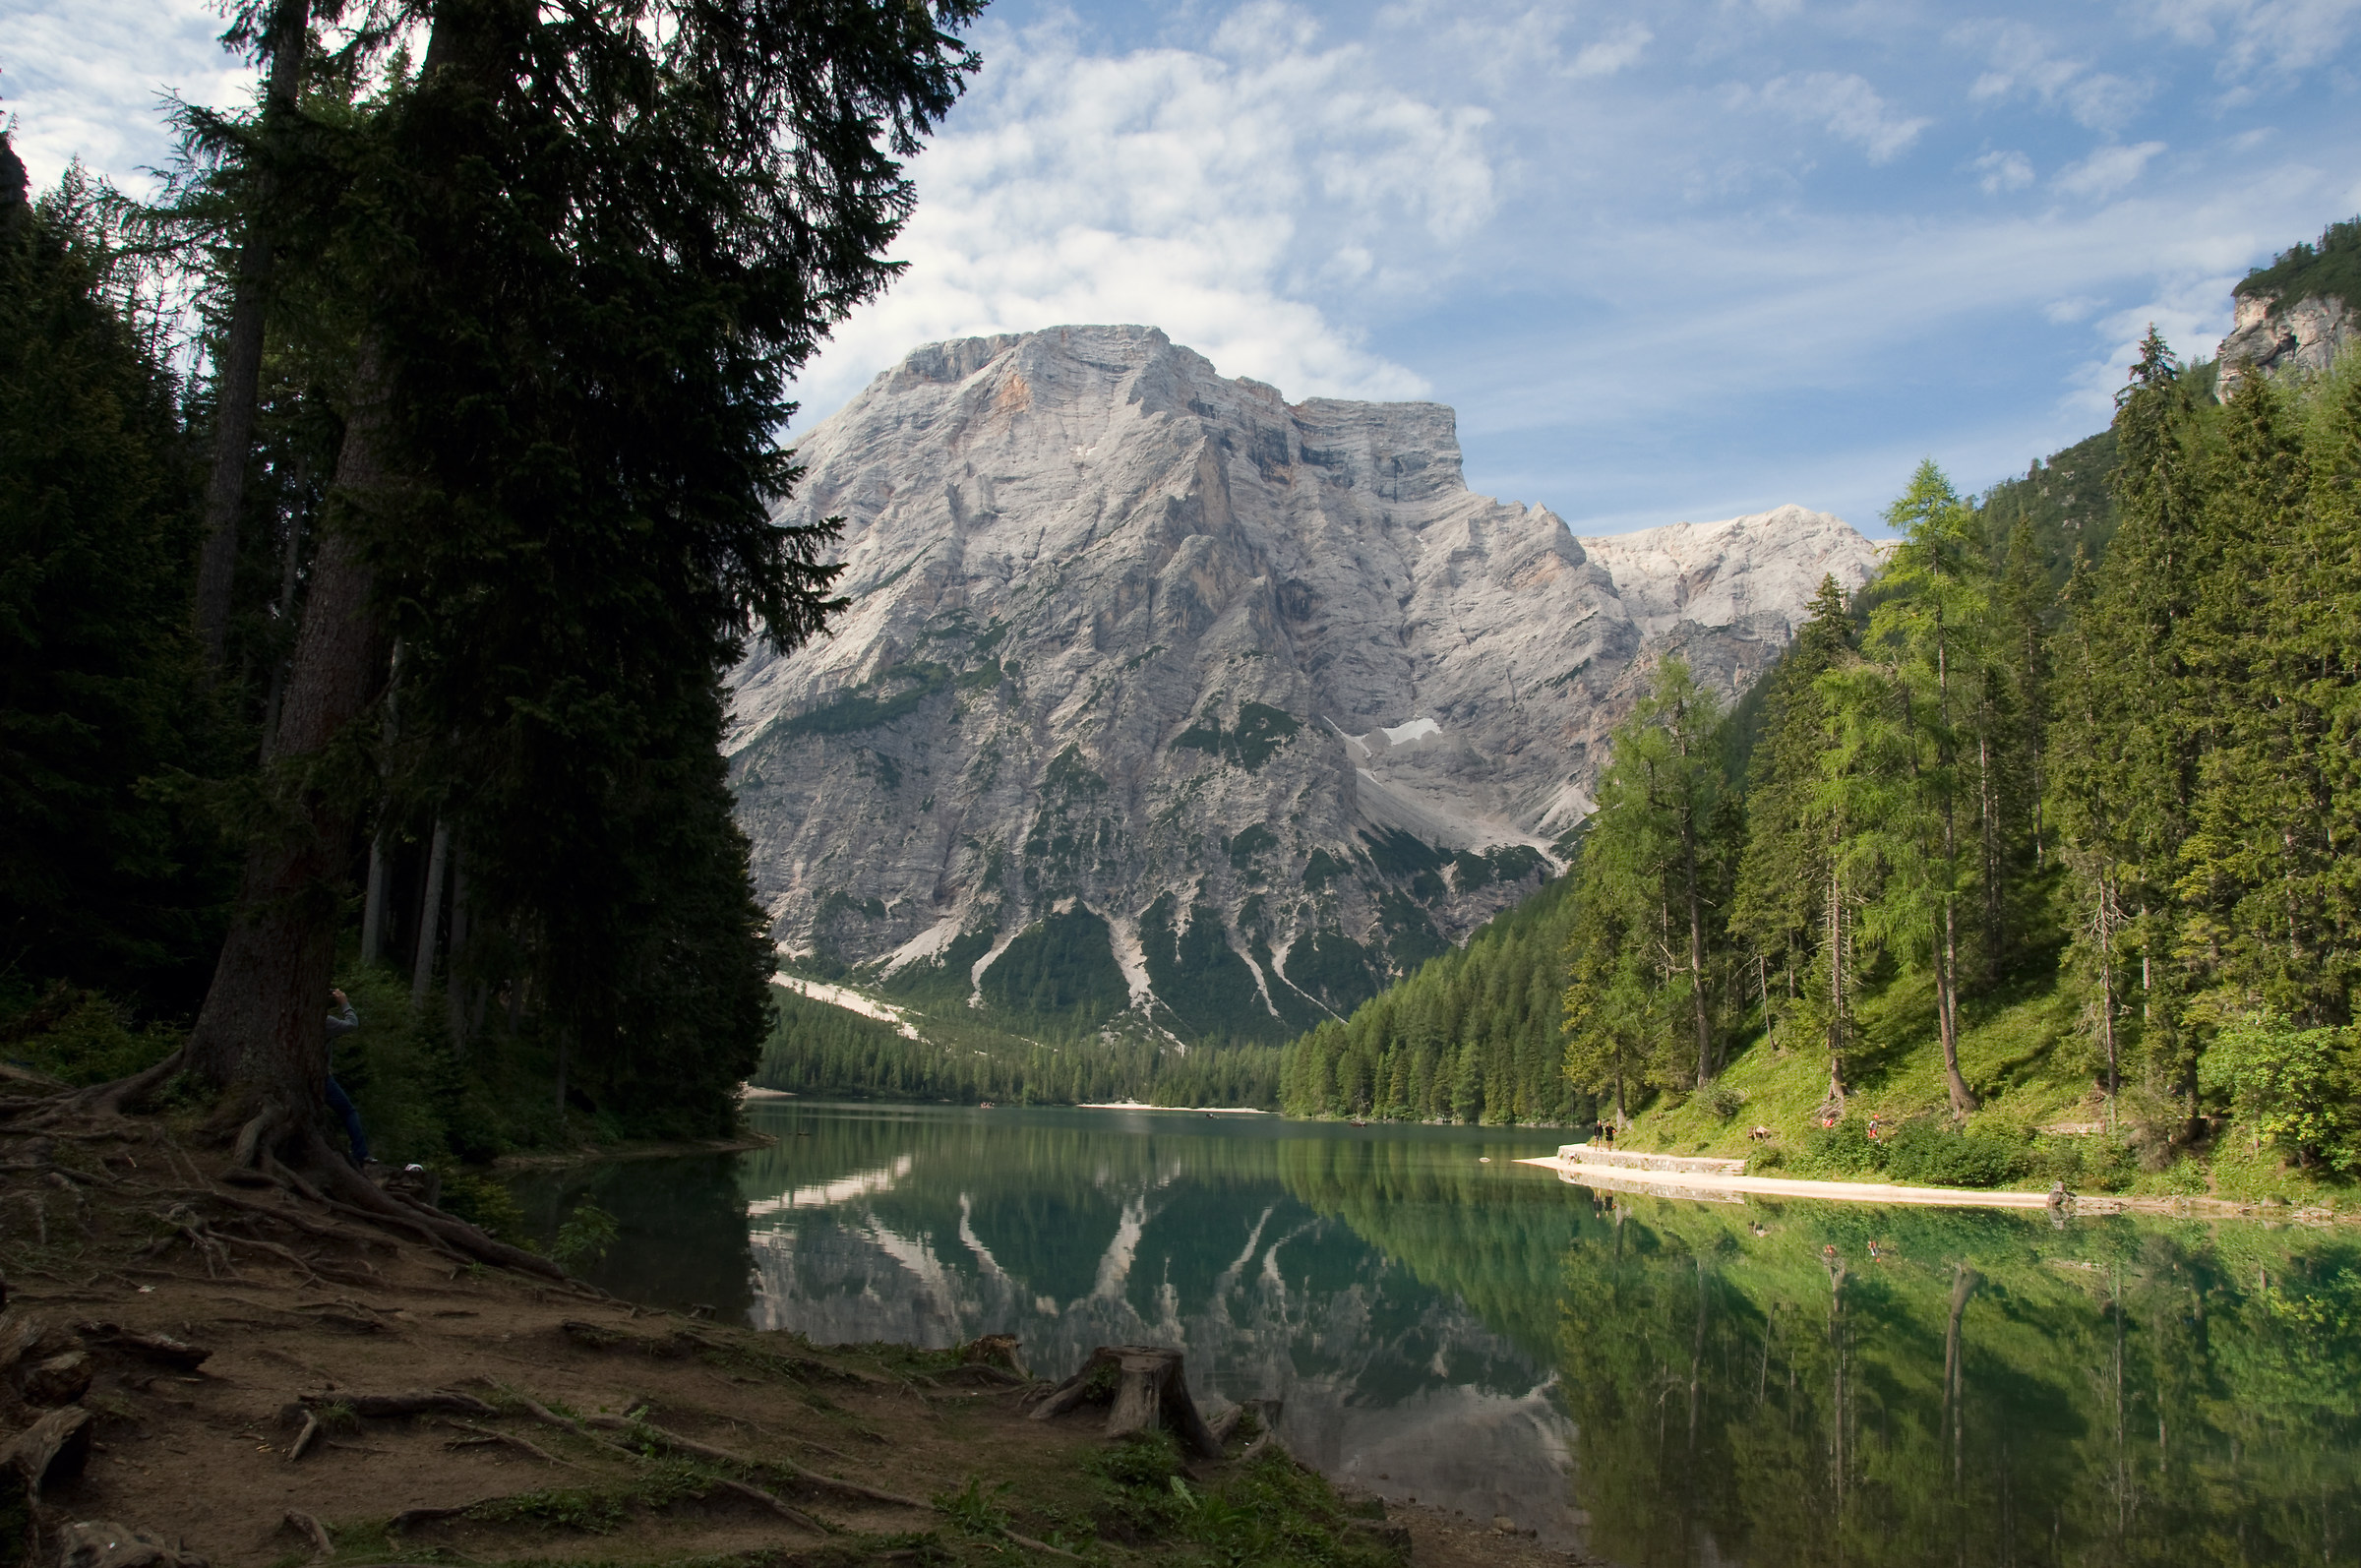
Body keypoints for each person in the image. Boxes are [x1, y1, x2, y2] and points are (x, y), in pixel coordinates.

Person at [325, 989, 372, 1167]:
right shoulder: (325, 1022)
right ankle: (360, 1154)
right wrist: (344, 1003)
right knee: (348, 1112)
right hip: (321, 1078)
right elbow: (352, 1023)